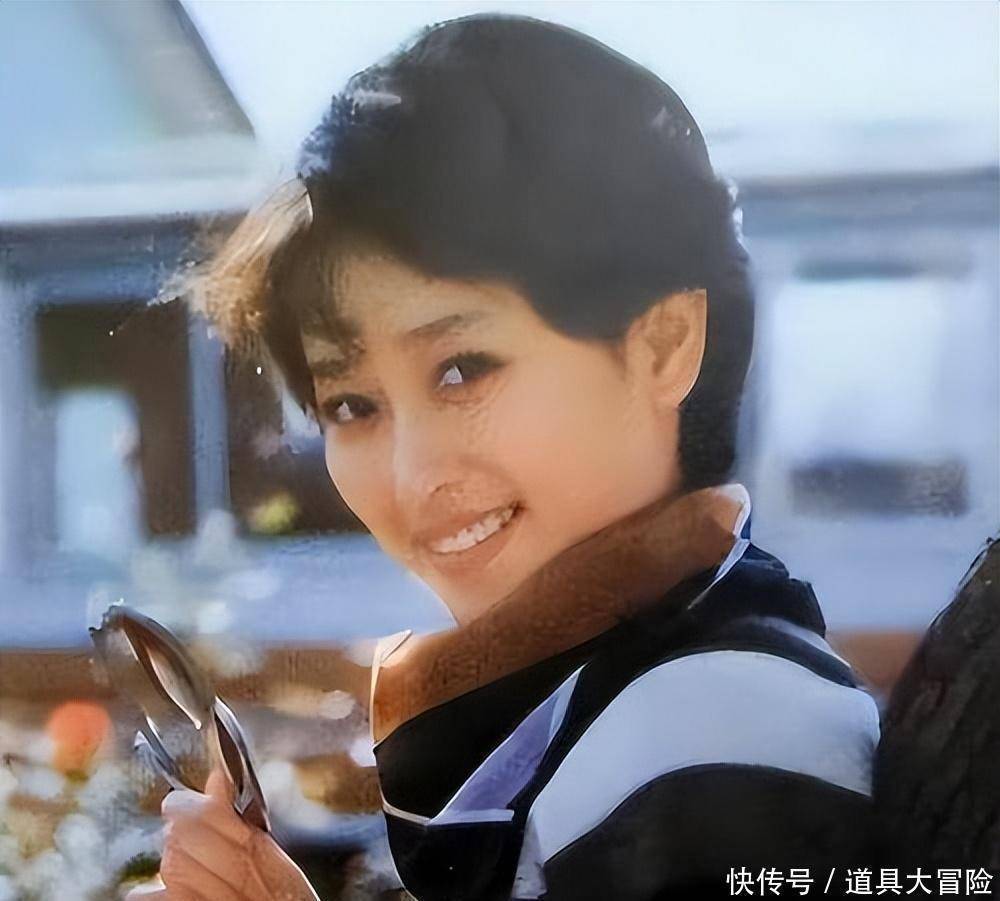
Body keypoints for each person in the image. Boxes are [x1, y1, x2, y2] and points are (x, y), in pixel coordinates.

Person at [148, 15, 880, 900]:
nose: (412, 476)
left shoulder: (713, 743)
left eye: (463, 370)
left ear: (663, 344)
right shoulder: (617, 695)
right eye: (351, 405)